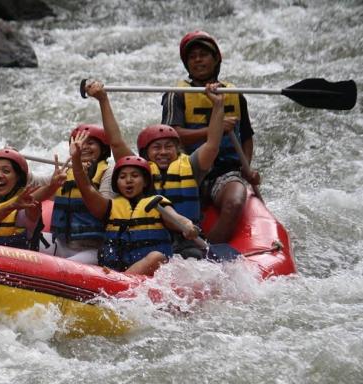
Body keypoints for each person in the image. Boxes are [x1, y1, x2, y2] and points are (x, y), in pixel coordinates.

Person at [85, 79, 225, 259]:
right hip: (149, 238)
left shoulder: (192, 165)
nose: (163, 152)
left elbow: (213, 144)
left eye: (169, 147)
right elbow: (116, 142)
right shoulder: (139, 171)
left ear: (177, 149)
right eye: (156, 148)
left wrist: (218, 105)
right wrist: (103, 100)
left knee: (192, 255)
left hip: (187, 239)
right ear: (146, 153)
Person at [161, 30, 260, 243]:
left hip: (225, 171)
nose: (197, 60)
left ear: (216, 59)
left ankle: (210, 252)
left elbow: (247, 136)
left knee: (234, 203)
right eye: (192, 56)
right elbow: (171, 136)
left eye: (203, 54)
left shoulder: (235, 94)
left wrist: (247, 168)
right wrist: (214, 129)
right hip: (187, 169)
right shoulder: (175, 94)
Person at [70, 131, 199, 276]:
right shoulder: (109, 207)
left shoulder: (157, 204)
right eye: (123, 177)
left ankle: (119, 283)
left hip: (148, 275)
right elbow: (86, 188)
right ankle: (118, 282)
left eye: (135, 176)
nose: (128, 180)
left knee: (157, 257)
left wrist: (187, 225)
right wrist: (76, 159)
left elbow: (176, 218)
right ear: (116, 183)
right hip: (113, 272)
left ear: (145, 182)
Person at [30, 121, 130, 264]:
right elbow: (33, 183)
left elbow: (105, 209)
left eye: (91, 143)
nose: (84, 147)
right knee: (24, 243)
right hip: (61, 241)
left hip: (93, 249)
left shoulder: (109, 172)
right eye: (80, 143)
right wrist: (16, 163)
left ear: (103, 148)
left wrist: (84, 178)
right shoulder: (66, 171)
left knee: (62, 268)